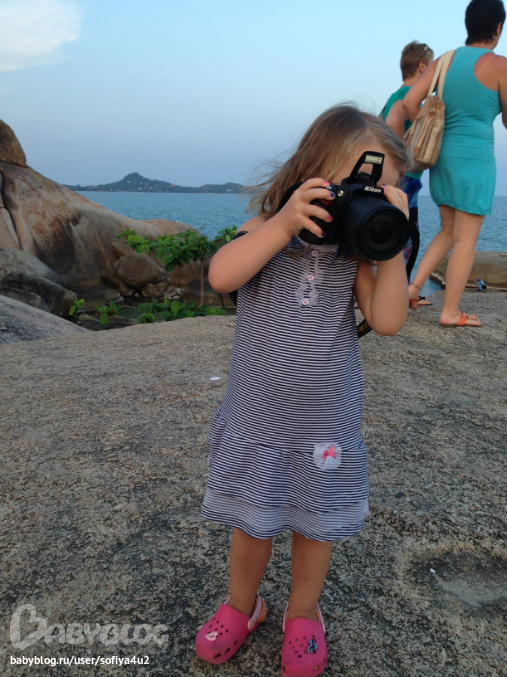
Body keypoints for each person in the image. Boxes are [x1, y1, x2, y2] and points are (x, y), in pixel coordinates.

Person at [194, 105, 409, 677]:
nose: (360, 201)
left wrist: (392, 242)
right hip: (258, 423)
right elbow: (221, 275)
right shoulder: (266, 233)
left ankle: (303, 612)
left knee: (316, 527)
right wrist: (283, 224)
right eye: (350, 187)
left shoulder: (357, 257)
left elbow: (388, 320)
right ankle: (243, 604)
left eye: (378, 191)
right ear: (308, 173)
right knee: (251, 524)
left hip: (324, 426)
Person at [403, 0, 507, 327]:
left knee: (448, 230)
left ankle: (413, 289)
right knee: (466, 238)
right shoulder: (500, 65)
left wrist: (431, 128)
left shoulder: (445, 60)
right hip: (475, 158)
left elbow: (409, 101)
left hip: (441, 158)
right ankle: (450, 311)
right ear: (498, 28)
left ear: (468, 24)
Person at [380, 41, 434, 307]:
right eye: (432, 69)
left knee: (399, 232)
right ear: (422, 67)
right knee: (408, 235)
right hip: (405, 179)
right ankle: (401, 295)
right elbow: (392, 124)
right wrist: (402, 162)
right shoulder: (408, 96)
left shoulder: (394, 95)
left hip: (396, 179)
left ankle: (399, 293)